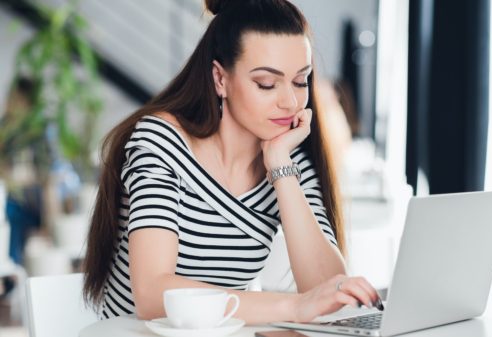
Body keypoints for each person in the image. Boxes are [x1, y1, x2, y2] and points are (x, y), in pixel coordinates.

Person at [82, 0, 381, 324]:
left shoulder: (287, 159)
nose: (290, 101)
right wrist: (291, 307)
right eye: (267, 83)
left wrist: (281, 167)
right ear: (220, 79)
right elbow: (153, 295)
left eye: (300, 81)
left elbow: (329, 292)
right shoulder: (160, 142)